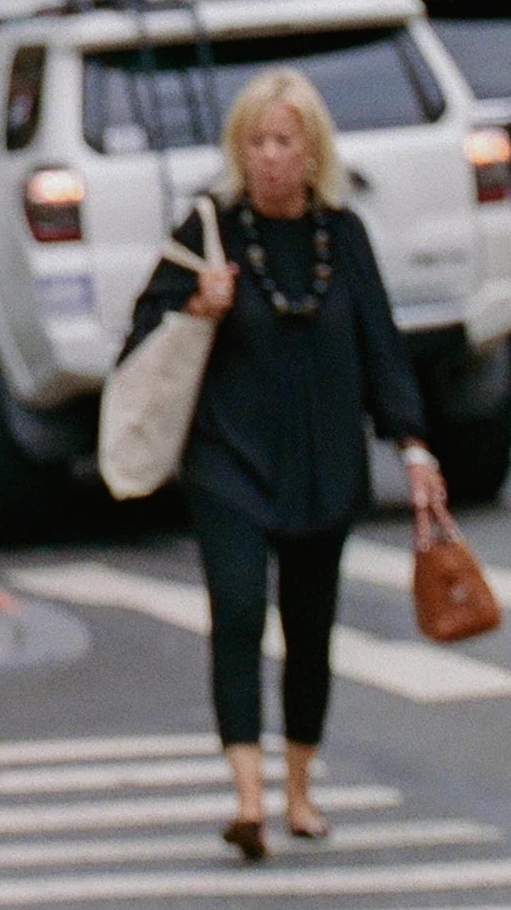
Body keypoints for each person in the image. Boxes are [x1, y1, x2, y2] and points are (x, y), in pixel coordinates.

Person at [121, 65, 448, 861]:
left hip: (323, 459)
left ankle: (299, 788)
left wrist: (412, 444)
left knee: (310, 628)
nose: (269, 156)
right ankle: (247, 799)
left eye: (284, 141)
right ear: (239, 150)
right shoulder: (210, 232)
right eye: (256, 141)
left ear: (312, 151)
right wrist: (196, 305)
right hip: (228, 457)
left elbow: (381, 347)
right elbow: (140, 335)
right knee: (237, 613)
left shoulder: (347, 235)